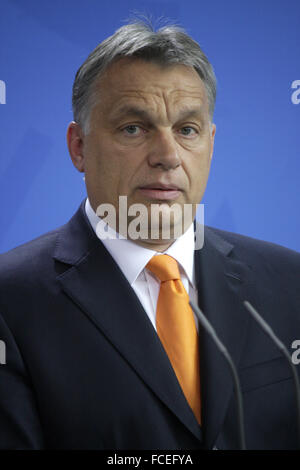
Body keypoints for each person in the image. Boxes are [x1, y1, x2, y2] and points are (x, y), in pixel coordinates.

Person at [0, 20, 299, 451]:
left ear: (211, 144)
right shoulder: (10, 303)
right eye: (134, 129)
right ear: (79, 147)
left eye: (187, 130)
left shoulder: (290, 283)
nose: (167, 156)